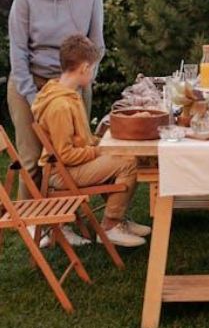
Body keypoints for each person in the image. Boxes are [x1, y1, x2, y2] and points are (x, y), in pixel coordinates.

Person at [8, 0, 105, 200]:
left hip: (73, 83)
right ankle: (31, 221)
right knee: (31, 157)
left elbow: (97, 46)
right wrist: (33, 97)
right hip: (30, 81)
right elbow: (17, 49)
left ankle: (67, 220)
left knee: (71, 154)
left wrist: (83, 80)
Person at [32, 34, 150, 248]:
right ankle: (111, 226)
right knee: (128, 162)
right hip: (61, 173)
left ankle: (119, 220)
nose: (94, 73)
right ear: (84, 68)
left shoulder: (69, 94)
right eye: (94, 68)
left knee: (123, 155)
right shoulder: (60, 106)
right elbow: (64, 155)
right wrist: (100, 151)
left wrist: (104, 142)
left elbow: (82, 140)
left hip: (72, 165)